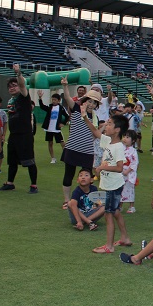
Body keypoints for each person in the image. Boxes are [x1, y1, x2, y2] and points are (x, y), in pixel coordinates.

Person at [86, 114, 132, 254]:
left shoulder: (118, 147)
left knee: (108, 214)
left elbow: (119, 168)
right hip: (109, 184)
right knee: (116, 211)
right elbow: (95, 131)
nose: (106, 125)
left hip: (113, 186)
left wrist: (102, 167)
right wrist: (84, 117)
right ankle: (125, 238)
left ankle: (109, 246)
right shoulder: (108, 141)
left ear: (117, 129)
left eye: (110, 124)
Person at [60, 77, 101, 210]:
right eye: (89, 101)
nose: (91, 105)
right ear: (85, 100)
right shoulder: (77, 108)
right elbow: (67, 98)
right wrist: (65, 86)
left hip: (87, 151)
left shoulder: (95, 117)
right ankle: (66, 200)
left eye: (94, 103)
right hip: (72, 148)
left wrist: (103, 127)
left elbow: (95, 135)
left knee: (88, 177)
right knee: (68, 175)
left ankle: (90, 201)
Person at [0, 64, 38, 193]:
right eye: (9, 87)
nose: (12, 88)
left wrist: (18, 73)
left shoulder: (24, 97)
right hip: (13, 135)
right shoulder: (11, 101)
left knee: (29, 160)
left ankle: (33, 185)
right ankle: (10, 183)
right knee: (12, 161)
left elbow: (21, 85)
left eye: (14, 86)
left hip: (25, 135)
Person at [37, 91, 68, 164]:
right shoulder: (50, 107)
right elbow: (42, 106)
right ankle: (53, 158)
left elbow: (67, 116)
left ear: (59, 100)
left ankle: (66, 157)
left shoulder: (61, 108)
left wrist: (63, 123)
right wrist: (40, 98)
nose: (53, 101)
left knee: (62, 143)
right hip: (49, 128)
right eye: (52, 99)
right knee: (50, 143)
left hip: (56, 129)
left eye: (55, 100)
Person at [120, 129, 139, 214]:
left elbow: (134, 163)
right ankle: (119, 206)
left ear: (133, 140)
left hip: (129, 173)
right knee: (120, 189)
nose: (125, 139)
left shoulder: (133, 151)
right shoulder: (120, 148)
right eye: (124, 136)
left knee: (129, 189)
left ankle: (132, 206)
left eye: (127, 137)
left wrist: (127, 171)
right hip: (120, 172)